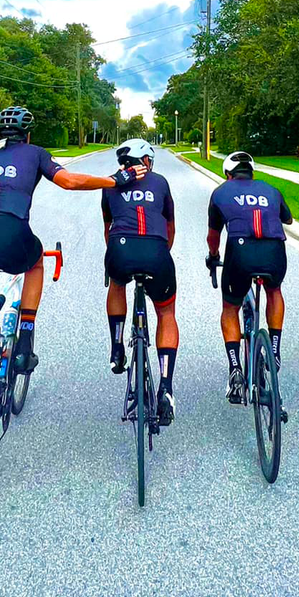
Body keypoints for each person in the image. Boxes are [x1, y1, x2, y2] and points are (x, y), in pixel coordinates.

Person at [0, 106, 145, 394]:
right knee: (35, 261)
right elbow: (68, 181)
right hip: (10, 232)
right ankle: (25, 336)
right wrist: (116, 180)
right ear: (28, 136)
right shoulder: (36, 153)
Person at [205, 151, 293, 404]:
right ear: (251, 172)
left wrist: (213, 255)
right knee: (274, 291)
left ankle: (235, 368)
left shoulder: (221, 192)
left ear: (228, 174)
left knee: (230, 307)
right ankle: (274, 349)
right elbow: (288, 218)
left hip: (239, 252)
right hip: (274, 250)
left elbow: (214, 236)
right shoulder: (271, 189)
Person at [102, 138, 179, 422]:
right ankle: (167, 387)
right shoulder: (160, 182)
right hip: (157, 253)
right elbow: (170, 225)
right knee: (166, 311)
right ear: (146, 162)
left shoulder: (109, 184)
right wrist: (160, 252)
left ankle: (118, 346)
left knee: (117, 283)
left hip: (119, 250)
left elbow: (107, 228)